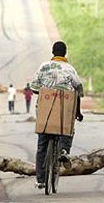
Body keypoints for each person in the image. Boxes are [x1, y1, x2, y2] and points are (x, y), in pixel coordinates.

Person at [30, 41, 84, 189]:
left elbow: (33, 86)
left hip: (45, 110)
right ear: (65, 53)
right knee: (67, 128)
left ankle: (41, 180)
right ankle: (65, 150)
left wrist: (45, 92)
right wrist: (78, 112)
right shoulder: (70, 69)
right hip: (63, 109)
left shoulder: (44, 66)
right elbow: (78, 91)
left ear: (53, 52)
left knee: (42, 144)